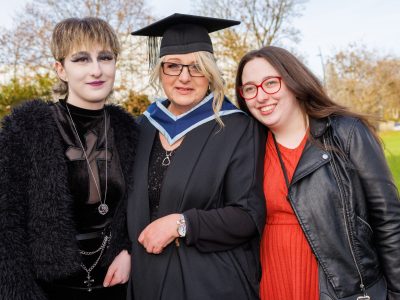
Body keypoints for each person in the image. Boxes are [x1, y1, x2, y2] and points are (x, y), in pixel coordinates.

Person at [235, 46, 400, 300]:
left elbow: (388, 220)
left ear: (293, 81)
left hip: (338, 289)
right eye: (249, 88)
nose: (261, 96)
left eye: (270, 83)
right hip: (272, 283)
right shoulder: (249, 146)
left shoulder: (347, 132)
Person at [127, 13, 265, 300]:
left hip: (211, 282)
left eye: (197, 67)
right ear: (160, 71)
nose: (184, 77)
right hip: (146, 280)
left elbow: (249, 216)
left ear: (211, 72)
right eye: (173, 66)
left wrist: (183, 223)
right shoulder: (141, 127)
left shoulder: (237, 128)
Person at [0, 17, 138, 300]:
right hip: (47, 290)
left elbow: (146, 206)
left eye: (105, 57)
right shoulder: (28, 129)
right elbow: (7, 224)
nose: (97, 70)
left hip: (117, 287)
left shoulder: (130, 131)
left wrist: (128, 250)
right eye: (81, 59)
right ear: (61, 69)